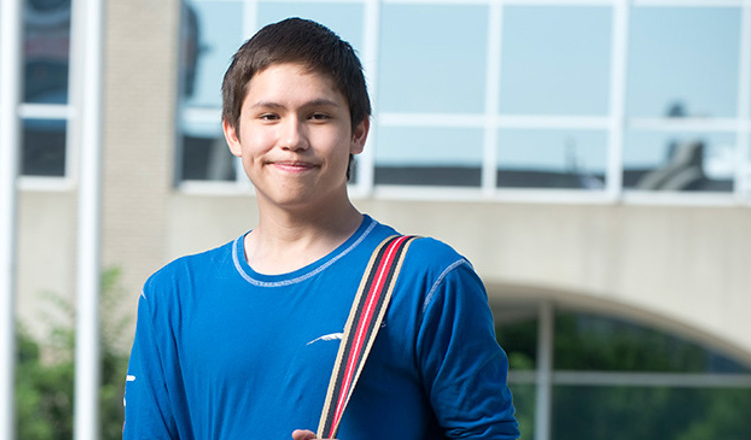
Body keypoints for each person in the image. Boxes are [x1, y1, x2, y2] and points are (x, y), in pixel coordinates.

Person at [122, 18, 519, 440]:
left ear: (358, 132)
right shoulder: (172, 295)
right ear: (233, 133)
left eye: (318, 116)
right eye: (269, 115)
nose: (292, 138)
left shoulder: (425, 279)